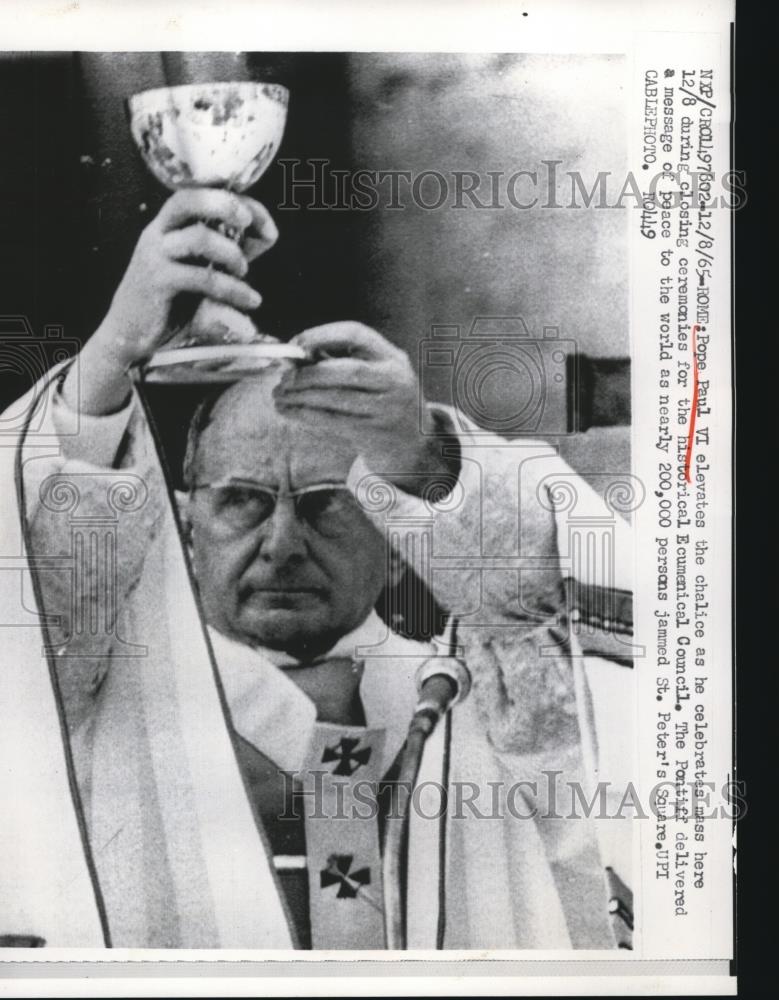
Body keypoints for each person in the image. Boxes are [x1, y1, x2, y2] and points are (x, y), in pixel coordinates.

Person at [6, 189, 635, 949]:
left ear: (392, 520)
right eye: (240, 500)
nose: (280, 544)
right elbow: (33, 583)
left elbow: (563, 629)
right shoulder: (93, 695)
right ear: (183, 519)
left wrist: (421, 453)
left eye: (325, 503)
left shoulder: (485, 703)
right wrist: (111, 358)